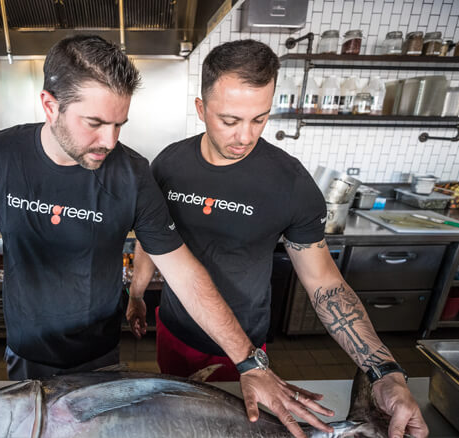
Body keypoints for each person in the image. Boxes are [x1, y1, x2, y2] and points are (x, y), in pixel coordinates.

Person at [0, 35, 336, 437]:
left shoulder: (132, 174)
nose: (109, 141)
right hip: (24, 345)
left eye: (120, 124)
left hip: (99, 353)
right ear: (50, 106)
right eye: (95, 123)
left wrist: (248, 359)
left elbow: (182, 270)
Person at [129, 39, 428, 438]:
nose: (245, 136)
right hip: (176, 330)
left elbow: (324, 282)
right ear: (201, 110)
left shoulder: (289, 182)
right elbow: (155, 238)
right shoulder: (169, 162)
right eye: (230, 120)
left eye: (259, 119)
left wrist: (384, 370)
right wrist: (137, 293)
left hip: (246, 346)